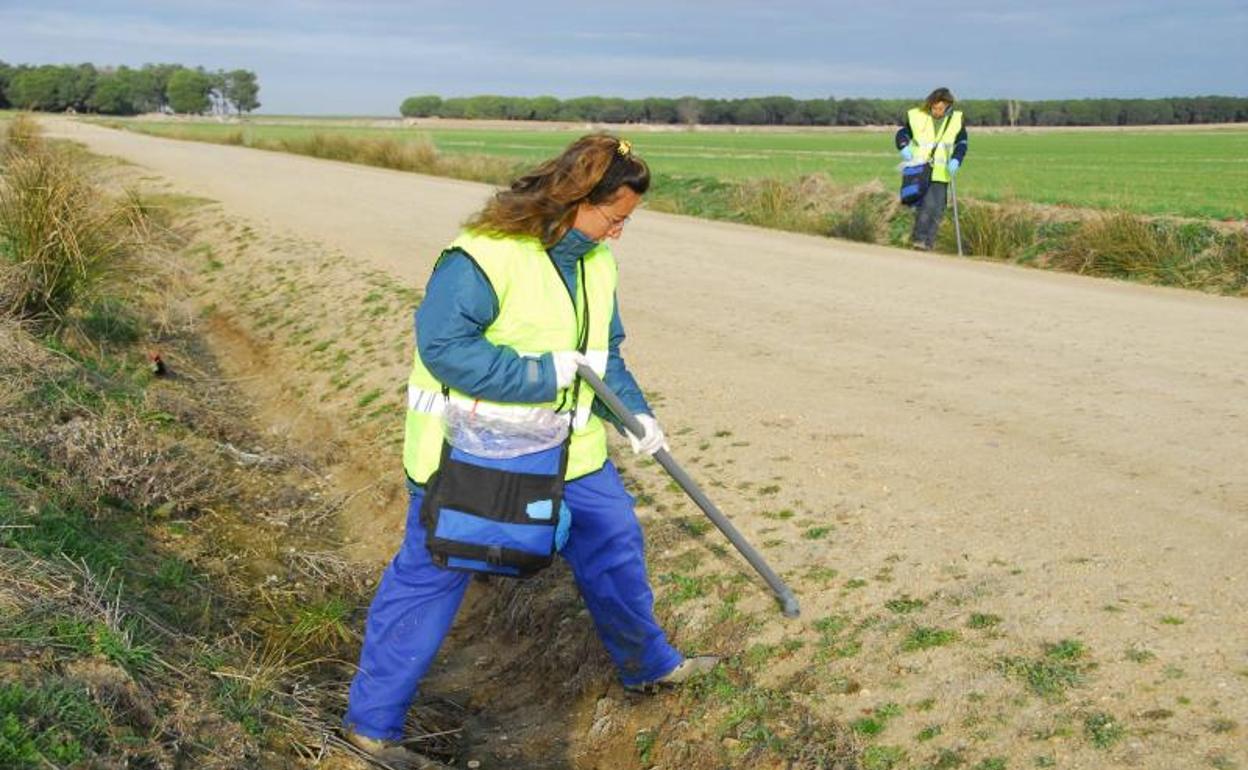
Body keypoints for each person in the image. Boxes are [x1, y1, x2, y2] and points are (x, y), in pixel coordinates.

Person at [343, 134, 718, 767]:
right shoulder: (482, 258)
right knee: (433, 576)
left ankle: (649, 666)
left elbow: (605, 357)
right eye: (615, 218)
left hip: (573, 453)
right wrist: (546, 375)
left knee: (616, 542)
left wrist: (635, 415)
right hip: (473, 456)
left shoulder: (595, 261)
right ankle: (370, 727)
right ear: (577, 198)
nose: (619, 233)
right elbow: (447, 351)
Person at [896, 87, 969, 251]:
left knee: (938, 209)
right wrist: (903, 147)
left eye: (940, 109)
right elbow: (902, 134)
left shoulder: (956, 120)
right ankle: (919, 241)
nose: (937, 112)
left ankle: (929, 243)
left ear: (948, 107)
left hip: (942, 172)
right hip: (921, 169)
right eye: (934, 108)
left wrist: (957, 159)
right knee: (927, 206)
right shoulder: (917, 116)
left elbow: (962, 143)